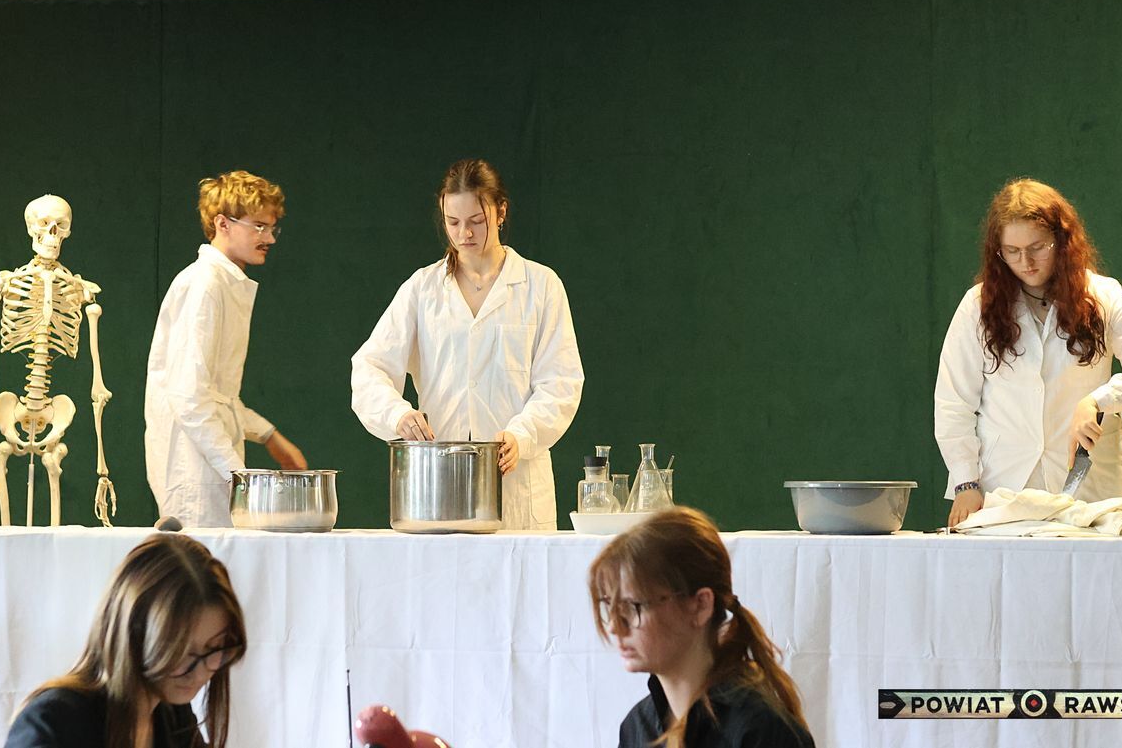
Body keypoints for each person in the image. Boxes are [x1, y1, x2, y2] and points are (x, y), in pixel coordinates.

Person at [350, 158, 584, 530]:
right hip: (439, 487)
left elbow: (561, 382)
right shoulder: (423, 289)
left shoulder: (540, 286)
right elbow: (369, 367)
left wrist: (522, 435)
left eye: (476, 221)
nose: (464, 234)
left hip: (516, 486)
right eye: (453, 222)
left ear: (501, 212)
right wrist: (397, 415)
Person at [935, 177, 1122, 528]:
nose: (1026, 262)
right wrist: (965, 483)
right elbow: (953, 403)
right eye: (1012, 251)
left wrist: (1099, 401)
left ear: (1062, 241)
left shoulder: (1103, 297)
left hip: (1090, 494)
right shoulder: (978, 306)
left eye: (1038, 247)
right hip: (1003, 491)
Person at [145, 170, 307, 528]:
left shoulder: (223, 282)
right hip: (193, 468)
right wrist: (239, 473)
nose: (269, 238)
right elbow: (189, 396)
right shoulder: (204, 284)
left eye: (272, 228)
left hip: (209, 461)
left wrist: (270, 436)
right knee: (201, 561)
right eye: (259, 227)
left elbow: (219, 397)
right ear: (222, 224)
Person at [588, 507, 814, 748]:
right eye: (610, 607)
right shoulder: (636, 727)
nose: (614, 627)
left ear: (700, 606)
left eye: (633, 607)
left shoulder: (761, 731)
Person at [4, 533, 246, 748]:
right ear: (134, 632)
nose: (200, 673)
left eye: (215, 649)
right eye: (181, 651)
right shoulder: (53, 723)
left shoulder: (171, 713)